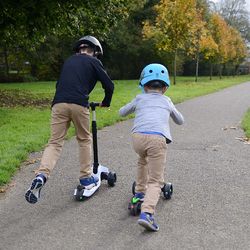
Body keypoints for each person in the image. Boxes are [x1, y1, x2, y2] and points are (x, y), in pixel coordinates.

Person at [25, 35, 114, 204]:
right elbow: (109, 85)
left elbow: (59, 85)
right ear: (95, 51)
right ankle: (86, 177)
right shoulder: (93, 61)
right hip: (79, 104)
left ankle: (42, 175)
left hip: (58, 104)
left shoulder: (69, 61)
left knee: (54, 142)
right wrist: (106, 102)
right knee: (84, 139)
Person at [119, 63, 184, 231]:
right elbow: (180, 120)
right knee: (156, 180)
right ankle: (147, 213)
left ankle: (140, 193)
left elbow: (122, 112)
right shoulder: (167, 100)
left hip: (138, 138)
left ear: (144, 85)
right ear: (165, 87)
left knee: (142, 160)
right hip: (157, 140)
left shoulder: (139, 98)